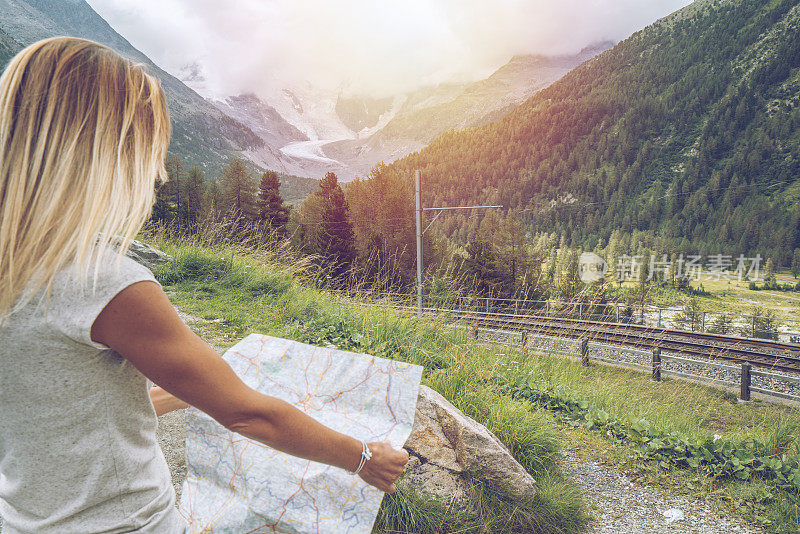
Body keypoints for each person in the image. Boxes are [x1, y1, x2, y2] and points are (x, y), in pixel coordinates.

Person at [0, 37, 409, 534]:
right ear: (103, 152)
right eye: (148, 147)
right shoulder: (104, 282)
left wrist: (185, 388)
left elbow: (54, 408)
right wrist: (364, 458)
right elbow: (249, 416)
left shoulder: (15, 269)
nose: (161, 172)